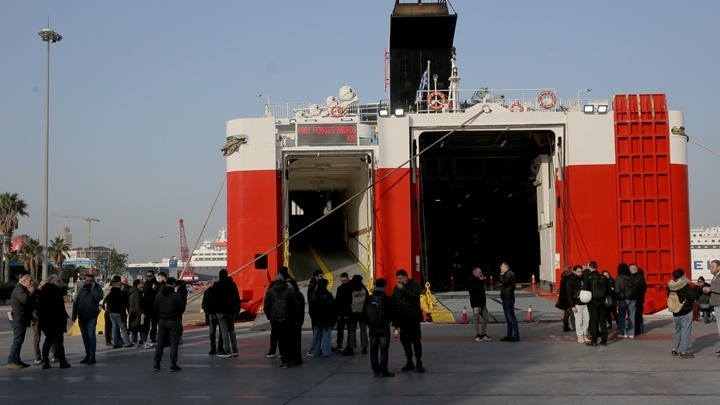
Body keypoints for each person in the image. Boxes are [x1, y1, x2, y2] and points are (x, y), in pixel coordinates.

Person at [264, 273, 299, 368]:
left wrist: (270, 317)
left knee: (280, 341)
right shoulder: (289, 290)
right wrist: (293, 318)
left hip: (276, 321)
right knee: (288, 340)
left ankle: (284, 362)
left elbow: (266, 307)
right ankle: (289, 360)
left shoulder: (270, 292)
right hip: (288, 320)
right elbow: (295, 306)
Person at [393, 269, 424, 373]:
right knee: (405, 342)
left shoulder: (414, 285)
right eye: (397, 278)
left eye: (400, 278)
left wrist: (403, 289)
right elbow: (396, 304)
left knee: (416, 341)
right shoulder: (396, 289)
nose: (398, 280)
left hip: (413, 318)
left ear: (406, 277)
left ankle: (419, 362)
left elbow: (414, 295)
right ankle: (409, 361)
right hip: (403, 320)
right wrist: (396, 321)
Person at [36, 275, 71, 369]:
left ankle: (45, 362)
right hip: (56, 321)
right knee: (59, 342)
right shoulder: (56, 290)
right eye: (58, 281)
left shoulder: (42, 291)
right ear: (53, 281)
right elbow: (60, 307)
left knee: (48, 341)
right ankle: (62, 361)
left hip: (45, 321)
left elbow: (39, 307)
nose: (60, 283)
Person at [153, 277, 186, 371]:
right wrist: (177, 315)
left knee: (160, 343)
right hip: (173, 320)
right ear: (173, 284)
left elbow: (155, 307)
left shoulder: (159, 295)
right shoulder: (176, 295)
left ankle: (157, 363)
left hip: (162, 320)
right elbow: (182, 307)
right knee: (174, 343)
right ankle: (173, 364)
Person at [668, 269, 701, 358]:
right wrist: (696, 287)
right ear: (683, 275)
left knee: (678, 331)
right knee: (686, 332)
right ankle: (683, 352)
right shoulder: (685, 285)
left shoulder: (670, 285)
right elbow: (693, 296)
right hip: (685, 310)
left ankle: (674, 349)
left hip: (675, 311)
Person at [72, 273, 103, 365]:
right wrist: (74, 315)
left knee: (91, 336)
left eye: (90, 281)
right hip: (82, 317)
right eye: (87, 281)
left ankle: (92, 356)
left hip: (91, 317)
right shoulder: (82, 289)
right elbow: (76, 302)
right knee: (85, 337)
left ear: (93, 281)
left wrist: (93, 289)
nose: (88, 282)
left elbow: (98, 298)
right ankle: (87, 355)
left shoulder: (97, 289)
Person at [6, 275, 35, 370]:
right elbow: (26, 300)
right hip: (18, 319)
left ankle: (17, 360)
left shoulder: (22, 289)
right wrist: (31, 292)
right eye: (30, 281)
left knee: (20, 340)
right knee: (17, 340)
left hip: (22, 318)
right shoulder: (19, 289)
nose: (31, 283)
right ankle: (11, 361)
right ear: (24, 281)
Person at [368, 278, 395, 377]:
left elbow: (364, 313)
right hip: (383, 327)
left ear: (375, 286)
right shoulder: (387, 299)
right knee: (384, 350)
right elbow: (392, 313)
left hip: (372, 328)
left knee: (373, 350)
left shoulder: (369, 299)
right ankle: (383, 370)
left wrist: (369, 323)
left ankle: (376, 370)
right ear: (384, 287)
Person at [214, 269, 241, 358]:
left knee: (224, 331)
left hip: (220, 312)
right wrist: (237, 310)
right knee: (232, 330)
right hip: (231, 311)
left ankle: (227, 350)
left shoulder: (216, 285)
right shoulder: (232, 284)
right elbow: (237, 298)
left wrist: (213, 312)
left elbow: (214, 300)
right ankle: (235, 350)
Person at [307, 278, 337, 357]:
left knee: (316, 335)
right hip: (327, 319)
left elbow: (312, 309)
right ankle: (326, 351)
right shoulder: (328, 295)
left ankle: (314, 351)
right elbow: (333, 308)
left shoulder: (314, 295)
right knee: (326, 336)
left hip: (317, 319)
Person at [344, 274, 369, 355]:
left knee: (352, 330)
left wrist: (346, 312)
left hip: (352, 313)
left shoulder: (349, 287)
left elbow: (347, 301)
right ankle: (364, 347)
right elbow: (367, 300)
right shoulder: (363, 288)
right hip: (362, 313)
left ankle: (351, 348)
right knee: (363, 330)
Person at [585, 261, 608, 347]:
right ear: (596, 267)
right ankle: (604, 340)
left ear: (589, 267)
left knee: (594, 321)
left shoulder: (589, 278)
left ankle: (594, 340)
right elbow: (608, 290)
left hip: (592, 302)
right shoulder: (603, 277)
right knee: (603, 321)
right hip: (602, 301)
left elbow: (585, 289)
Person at [106, 280, 132, 348]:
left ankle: (115, 343)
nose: (121, 287)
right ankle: (127, 343)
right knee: (123, 328)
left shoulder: (110, 294)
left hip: (111, 313)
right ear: (117, 286)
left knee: (115, 328)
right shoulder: (120, 293)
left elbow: (106, 302)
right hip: (118, 313)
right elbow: (125, 301)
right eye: (120, 285)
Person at [201, 278, 224, 355]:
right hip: (217, 314)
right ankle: (218, 348)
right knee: (218, 332)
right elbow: (204, 304)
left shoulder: (209, 291)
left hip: (213, 314)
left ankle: (215, 348)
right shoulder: (220, 291)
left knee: (213, 332)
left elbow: (204, 304)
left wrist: (209, 313)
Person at [468, 267, 492, 341]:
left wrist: (483, 281)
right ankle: (477, 335)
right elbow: (476, 288)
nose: (481, 274)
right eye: (480, 272)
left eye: (481, 272)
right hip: (476, 303)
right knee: (476, 319)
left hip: (482, 302)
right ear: (475, 273)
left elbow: (484, 286)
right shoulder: (471, 280)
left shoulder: (480, 279)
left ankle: (483, 334)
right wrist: (481, 281)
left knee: (486, 317)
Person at [703, 259, 720, 357]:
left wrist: (710, 288)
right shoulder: (715, 277)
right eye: (710, 267)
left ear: (719, 267)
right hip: (716, 305)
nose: (710, 268)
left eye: (712, 267)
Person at [567, 265, 588, 343]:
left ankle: (585, 335)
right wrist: (572, 306)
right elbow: (569, 294)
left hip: (585, 303)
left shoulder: (584, 279)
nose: (580, 273)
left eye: (581, 271)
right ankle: (580, 336)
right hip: (577, 304)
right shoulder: (570, 281)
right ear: (574, 272)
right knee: (579, 321)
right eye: (578, 272)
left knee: (587, 320)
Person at [615, 263, 637, 338]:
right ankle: (631, 333)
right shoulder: (632, 277)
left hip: (623, 299)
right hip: (632, 299)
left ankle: (623, 333)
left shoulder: (619, 278)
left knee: (621, 316)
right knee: (632, 315)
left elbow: (617, 290)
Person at [499, 261, 519, 342]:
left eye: (502, 266)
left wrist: (501, 275)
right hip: (506, 297)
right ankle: (509, 335)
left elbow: (505, 282)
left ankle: (516, 335)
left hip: (508, 298)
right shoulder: (508, 274)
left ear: (506, 267)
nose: (500, 267)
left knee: (511, 317)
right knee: (508, 318)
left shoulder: (509, 274)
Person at [334, 272, 352, 352]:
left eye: (345, 280)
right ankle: (346, 345)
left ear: (347, 279)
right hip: (347, 312)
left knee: (341, 330)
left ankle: (341, 345)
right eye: (343, 281)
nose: (344, 282)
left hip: (345, 312)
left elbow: (338, 302)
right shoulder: (349, 287)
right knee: (346, 330)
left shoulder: (340, 288)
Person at [142, 270, 160, 348]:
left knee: (154, 324)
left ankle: (153, 338)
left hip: (154, 307)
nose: (148, 277)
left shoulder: (157, 284)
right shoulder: (146, 283)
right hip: (147, 307)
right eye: (147, 276)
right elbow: (145, 294)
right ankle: (144, 338)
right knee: (146, 324)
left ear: (153, 276)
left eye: (150, 276)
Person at [127, 279, 146, 347]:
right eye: (141, 283)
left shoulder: (132, 291)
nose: (143, 284)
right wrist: (141, 313)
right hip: (137, 312)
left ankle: (134, 341)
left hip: (133, 311)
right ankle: (143, 341)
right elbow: (138, 304)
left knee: (134, 328)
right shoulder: (137, 293)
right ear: (138, 284)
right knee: (141, 327)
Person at [557, 266, 575, 332]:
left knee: (566, 313)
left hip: (563, 298)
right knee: (572, 314)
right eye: (572, 269)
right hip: (568, 298)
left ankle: (565, 326)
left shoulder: (563, 278)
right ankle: (575, 327)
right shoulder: (570, 278)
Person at [630, 264, 647, 336]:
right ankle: (641, 329)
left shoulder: (636, 277)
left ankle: (637, 330)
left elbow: (636, 288)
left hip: (637, 298)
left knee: (636, 314)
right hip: (641, 298)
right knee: (639, 314)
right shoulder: (641, 277)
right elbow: (644, 288)